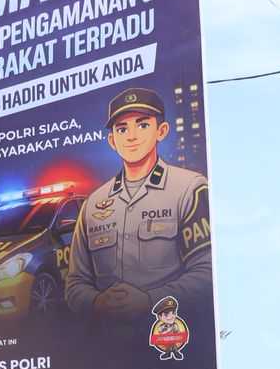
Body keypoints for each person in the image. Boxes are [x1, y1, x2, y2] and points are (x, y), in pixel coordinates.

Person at [66, 87, 212, 322]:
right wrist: (97, 302)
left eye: (142, 125)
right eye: (122, 129)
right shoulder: (93, 204)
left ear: (161, 131)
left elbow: (207, 272)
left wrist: (150, 301)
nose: (131, 136)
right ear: (112, 141)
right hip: (106, 338)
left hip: (169, 335)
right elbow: (75, 284)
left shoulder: (188, 188)